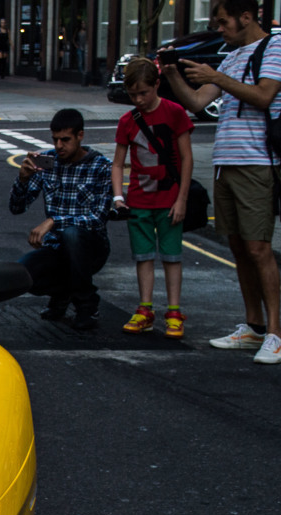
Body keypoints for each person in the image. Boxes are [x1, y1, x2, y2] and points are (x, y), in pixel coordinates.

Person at [161, 0, 281, 363]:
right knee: (239, 248)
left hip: (258, 162)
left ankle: (276, 334)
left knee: (259, 248)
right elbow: (197, 103)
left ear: (246, 17)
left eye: (224, 22)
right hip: (225, 162)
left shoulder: (274, 47)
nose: (219, 29)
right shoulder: (231, 57)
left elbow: (264, 95)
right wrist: (171, 74)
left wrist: (217, 77)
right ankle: (253, 327)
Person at [9, 108, 113, 330]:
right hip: (57, 248)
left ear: (80, 135)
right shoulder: (48, 163)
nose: (58, 146)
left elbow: (98, 218)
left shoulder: (100, 166)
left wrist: (55, 221)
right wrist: (23, 180)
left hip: (90, 247)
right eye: (55, 139)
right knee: (23, 273)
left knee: (72, 233)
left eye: (65, 140)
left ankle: (86, 304)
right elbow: (17, 208)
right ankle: (62, 292)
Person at [111, 58, 193, 337]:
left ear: (157, 84)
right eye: (133, 95)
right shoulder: (128, 121)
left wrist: (181, 199)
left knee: (172, 256)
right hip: (139, 200)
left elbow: (186, 158)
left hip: (169, 200)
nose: (138, 100)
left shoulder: (175, 113)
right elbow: (118, 163)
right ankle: (145, 308)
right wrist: (118, 197)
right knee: (143, 256)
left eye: (143, 93)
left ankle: (174, 311)